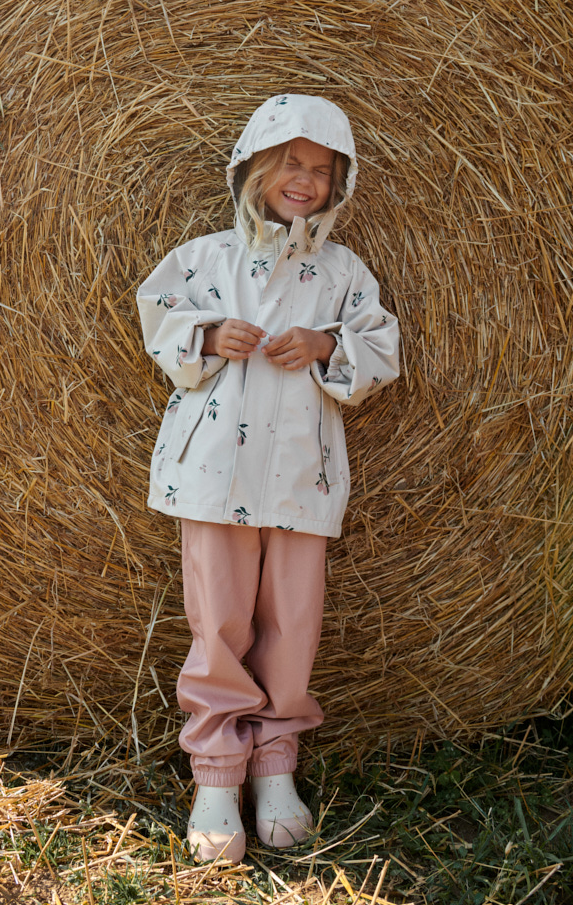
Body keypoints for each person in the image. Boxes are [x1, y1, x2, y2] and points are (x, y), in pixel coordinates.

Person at [136, 93, 401, 862]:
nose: (306, 181)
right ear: (254, 165)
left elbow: (379, 347)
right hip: (213, 475)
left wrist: (326, 344)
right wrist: (209, 333)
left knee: (293, 625)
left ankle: (276, 767)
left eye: (323, 172)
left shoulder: (344, 271)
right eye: (293, 165)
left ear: (338, 185)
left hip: (301, 478)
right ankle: (217, 774)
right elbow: (158, 316)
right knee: (218, 623)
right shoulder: (205, 257)